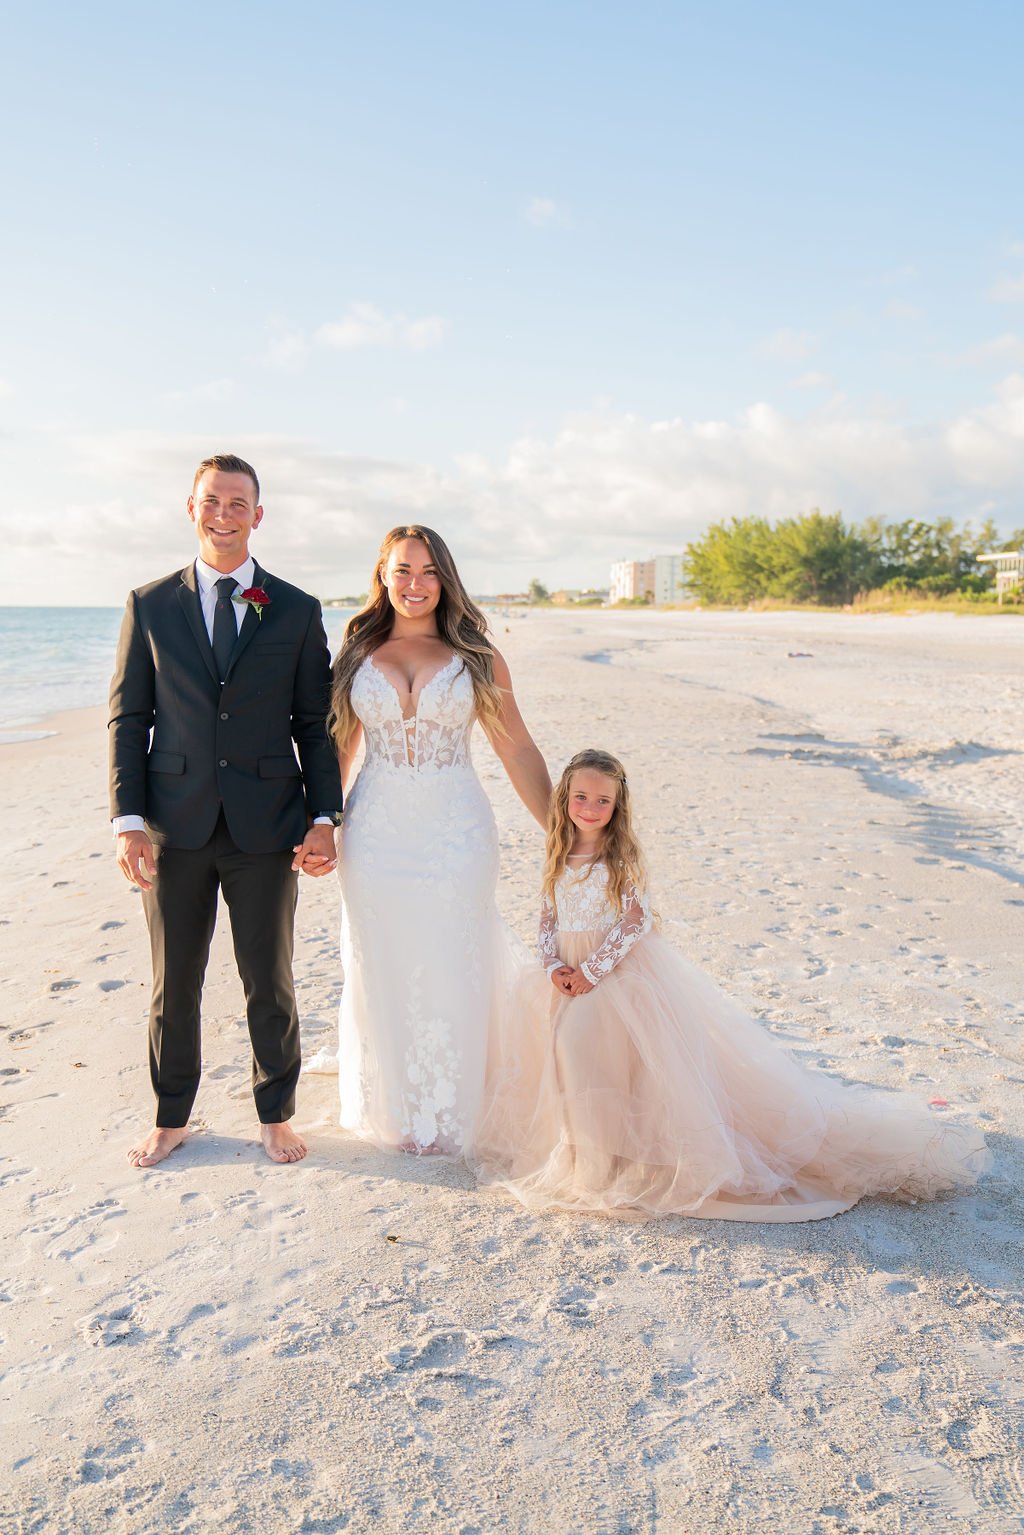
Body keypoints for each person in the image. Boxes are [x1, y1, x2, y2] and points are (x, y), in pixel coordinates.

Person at [472, 749, 991, 1219]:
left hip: (614, 979)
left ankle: (607, 1165)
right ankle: (586, 1157)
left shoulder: (620, 855)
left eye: (601, 799)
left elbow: (636, 921)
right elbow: (546, 917)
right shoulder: (558, 852)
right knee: (565, 1063)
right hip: (564, 975)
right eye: (580, 796)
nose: (589, 807)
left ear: (616, 805)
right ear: (564, 798)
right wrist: (552, 966)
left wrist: (590, 971)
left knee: (589, 1052)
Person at [109, 453, 343, 1168]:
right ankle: (172, 1115)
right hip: (174, 825)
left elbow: (314, 723)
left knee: (267, 978)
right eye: (212, 499)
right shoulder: (149, 604)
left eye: (238, 502)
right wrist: (127, 821)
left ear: (258, 515)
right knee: (172, 982)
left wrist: (324, 816)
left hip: (267, 824)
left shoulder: (296, 609)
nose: (224, 512)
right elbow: (129, 716)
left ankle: (276, 1113)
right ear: (191, 507)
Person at [326, 525, 550, 1156]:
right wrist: (320, 826)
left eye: (427, 572)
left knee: (455, 960)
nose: (415, 584)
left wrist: (564, 832)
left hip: (456, 833)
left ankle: (456, 1108)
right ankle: (395, 1110)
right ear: (382, 577)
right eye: (402, 571)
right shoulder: (355, 656)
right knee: (384, 961)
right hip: (373, 836)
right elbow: (339, 754)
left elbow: (518, 749)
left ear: (445, 578)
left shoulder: (478, 656)